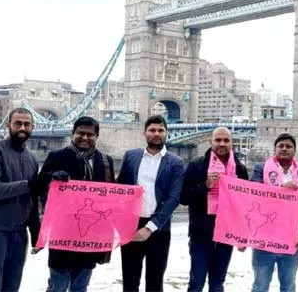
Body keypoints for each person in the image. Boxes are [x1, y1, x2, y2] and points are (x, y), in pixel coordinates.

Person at [37, 116, 115, 292]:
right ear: (73, 134)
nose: (85, 138)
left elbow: (111, 194)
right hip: (62, 233)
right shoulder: (56, 157)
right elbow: (38, 184)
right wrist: (52, 177)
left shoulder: (106, 161)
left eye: (90, 134)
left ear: (97, 136)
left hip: (89, 234)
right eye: (81, 133)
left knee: (81, 286)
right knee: (57, 285)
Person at [0, 107, 47, 292]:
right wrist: (30, 184)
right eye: (17, 123)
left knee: (12, 287)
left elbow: (31, 197)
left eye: (26, 124)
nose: (22, 127)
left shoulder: (32, 159)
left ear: (33, 126)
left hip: (19, 233)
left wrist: (35, 228)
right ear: (8, 125)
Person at [116, 115, 185, 292]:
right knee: (130, 281)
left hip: (159, 228)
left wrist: (150, 227)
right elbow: (120, 188)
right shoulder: (130, 156)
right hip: (131, 226)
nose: (156, 134)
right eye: (152, 130)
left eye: (161, 130)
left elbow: (173, 198)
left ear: (167, 134)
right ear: (144, 133)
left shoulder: (176, 163)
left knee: (155, 282)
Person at [181, 126, 249, 292]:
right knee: (196, 283)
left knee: (218, 284)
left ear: (232, 143)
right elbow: (184, 197)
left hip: (226, 235)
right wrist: (205, 185)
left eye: (226, 140)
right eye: (218, 140)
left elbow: (245, 206)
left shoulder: (240, 169)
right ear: (210, 141)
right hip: (201, 234)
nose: (222, 144)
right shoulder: (197, 165)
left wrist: (243, 236)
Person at [249, 133, 298, 292]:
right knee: (260, 285)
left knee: (288, 286)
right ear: (275, 149)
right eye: (281, 146)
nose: (284, 149)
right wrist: (280, 190)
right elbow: (254, 194)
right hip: (264, 240)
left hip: (292, 239)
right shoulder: (261, 169)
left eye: (288, 146)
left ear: (295, 150)